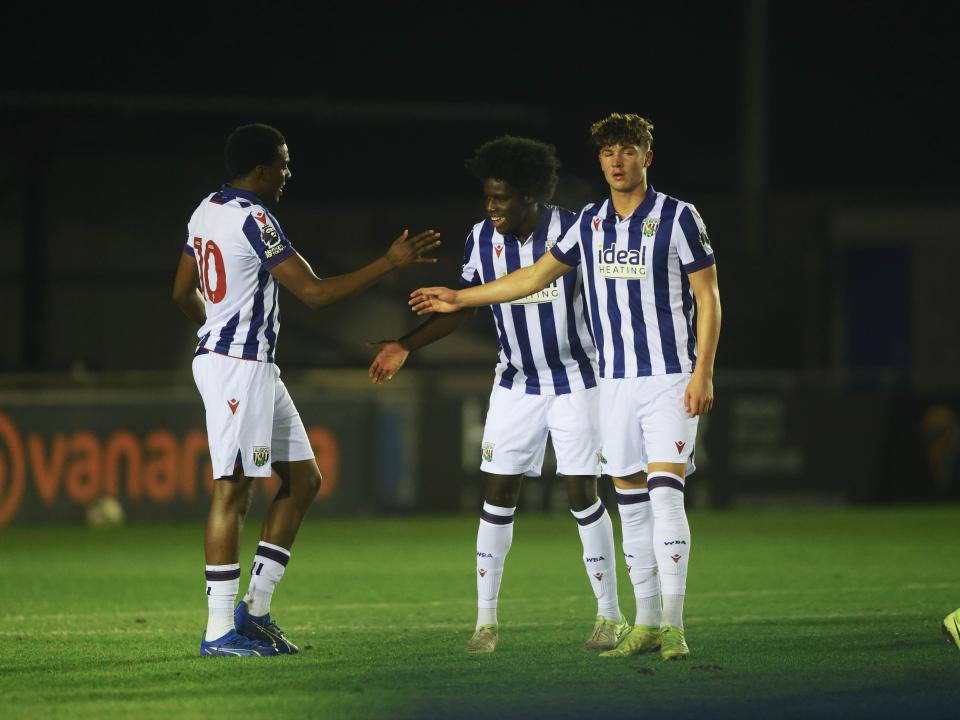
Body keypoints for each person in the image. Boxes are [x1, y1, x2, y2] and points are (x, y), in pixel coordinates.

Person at [410, 114, 721, 661]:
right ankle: (645, 623)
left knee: (665, 495)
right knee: (630, 505)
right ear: (600, 161)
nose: (617, 160)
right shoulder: (592, 223)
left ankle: (672, 625)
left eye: (627, 150)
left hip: (664, 375)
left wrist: (703, 371)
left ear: (647, 156)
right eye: (608, 152)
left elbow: (708, 296)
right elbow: (532, 278)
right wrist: (459, 298)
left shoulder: (677, 218)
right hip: (614, 383)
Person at [172, 123, 440, 657]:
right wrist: (388, 264)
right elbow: (315, 293)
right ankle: (219, 631)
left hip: (251, 366)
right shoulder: (256, 219)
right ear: (262, 168)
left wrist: (214, 326)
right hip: (238, 368)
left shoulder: (205, 209)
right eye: (284, 163)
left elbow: (182, 291)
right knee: (233, 489)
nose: (289, 173)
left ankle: (255, 611)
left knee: (305, 479)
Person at [370, 136, 625, 654]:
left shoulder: (572, 231)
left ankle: (610, 616)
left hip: (578, 379)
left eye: (501, 198)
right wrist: (406, 345)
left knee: (582, 494)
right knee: (498, 493)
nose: (492, 207)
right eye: (487, 197)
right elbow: (461, 307)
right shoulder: (481, 238)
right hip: (515, 383)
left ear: (530, 195)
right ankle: (485, 624)